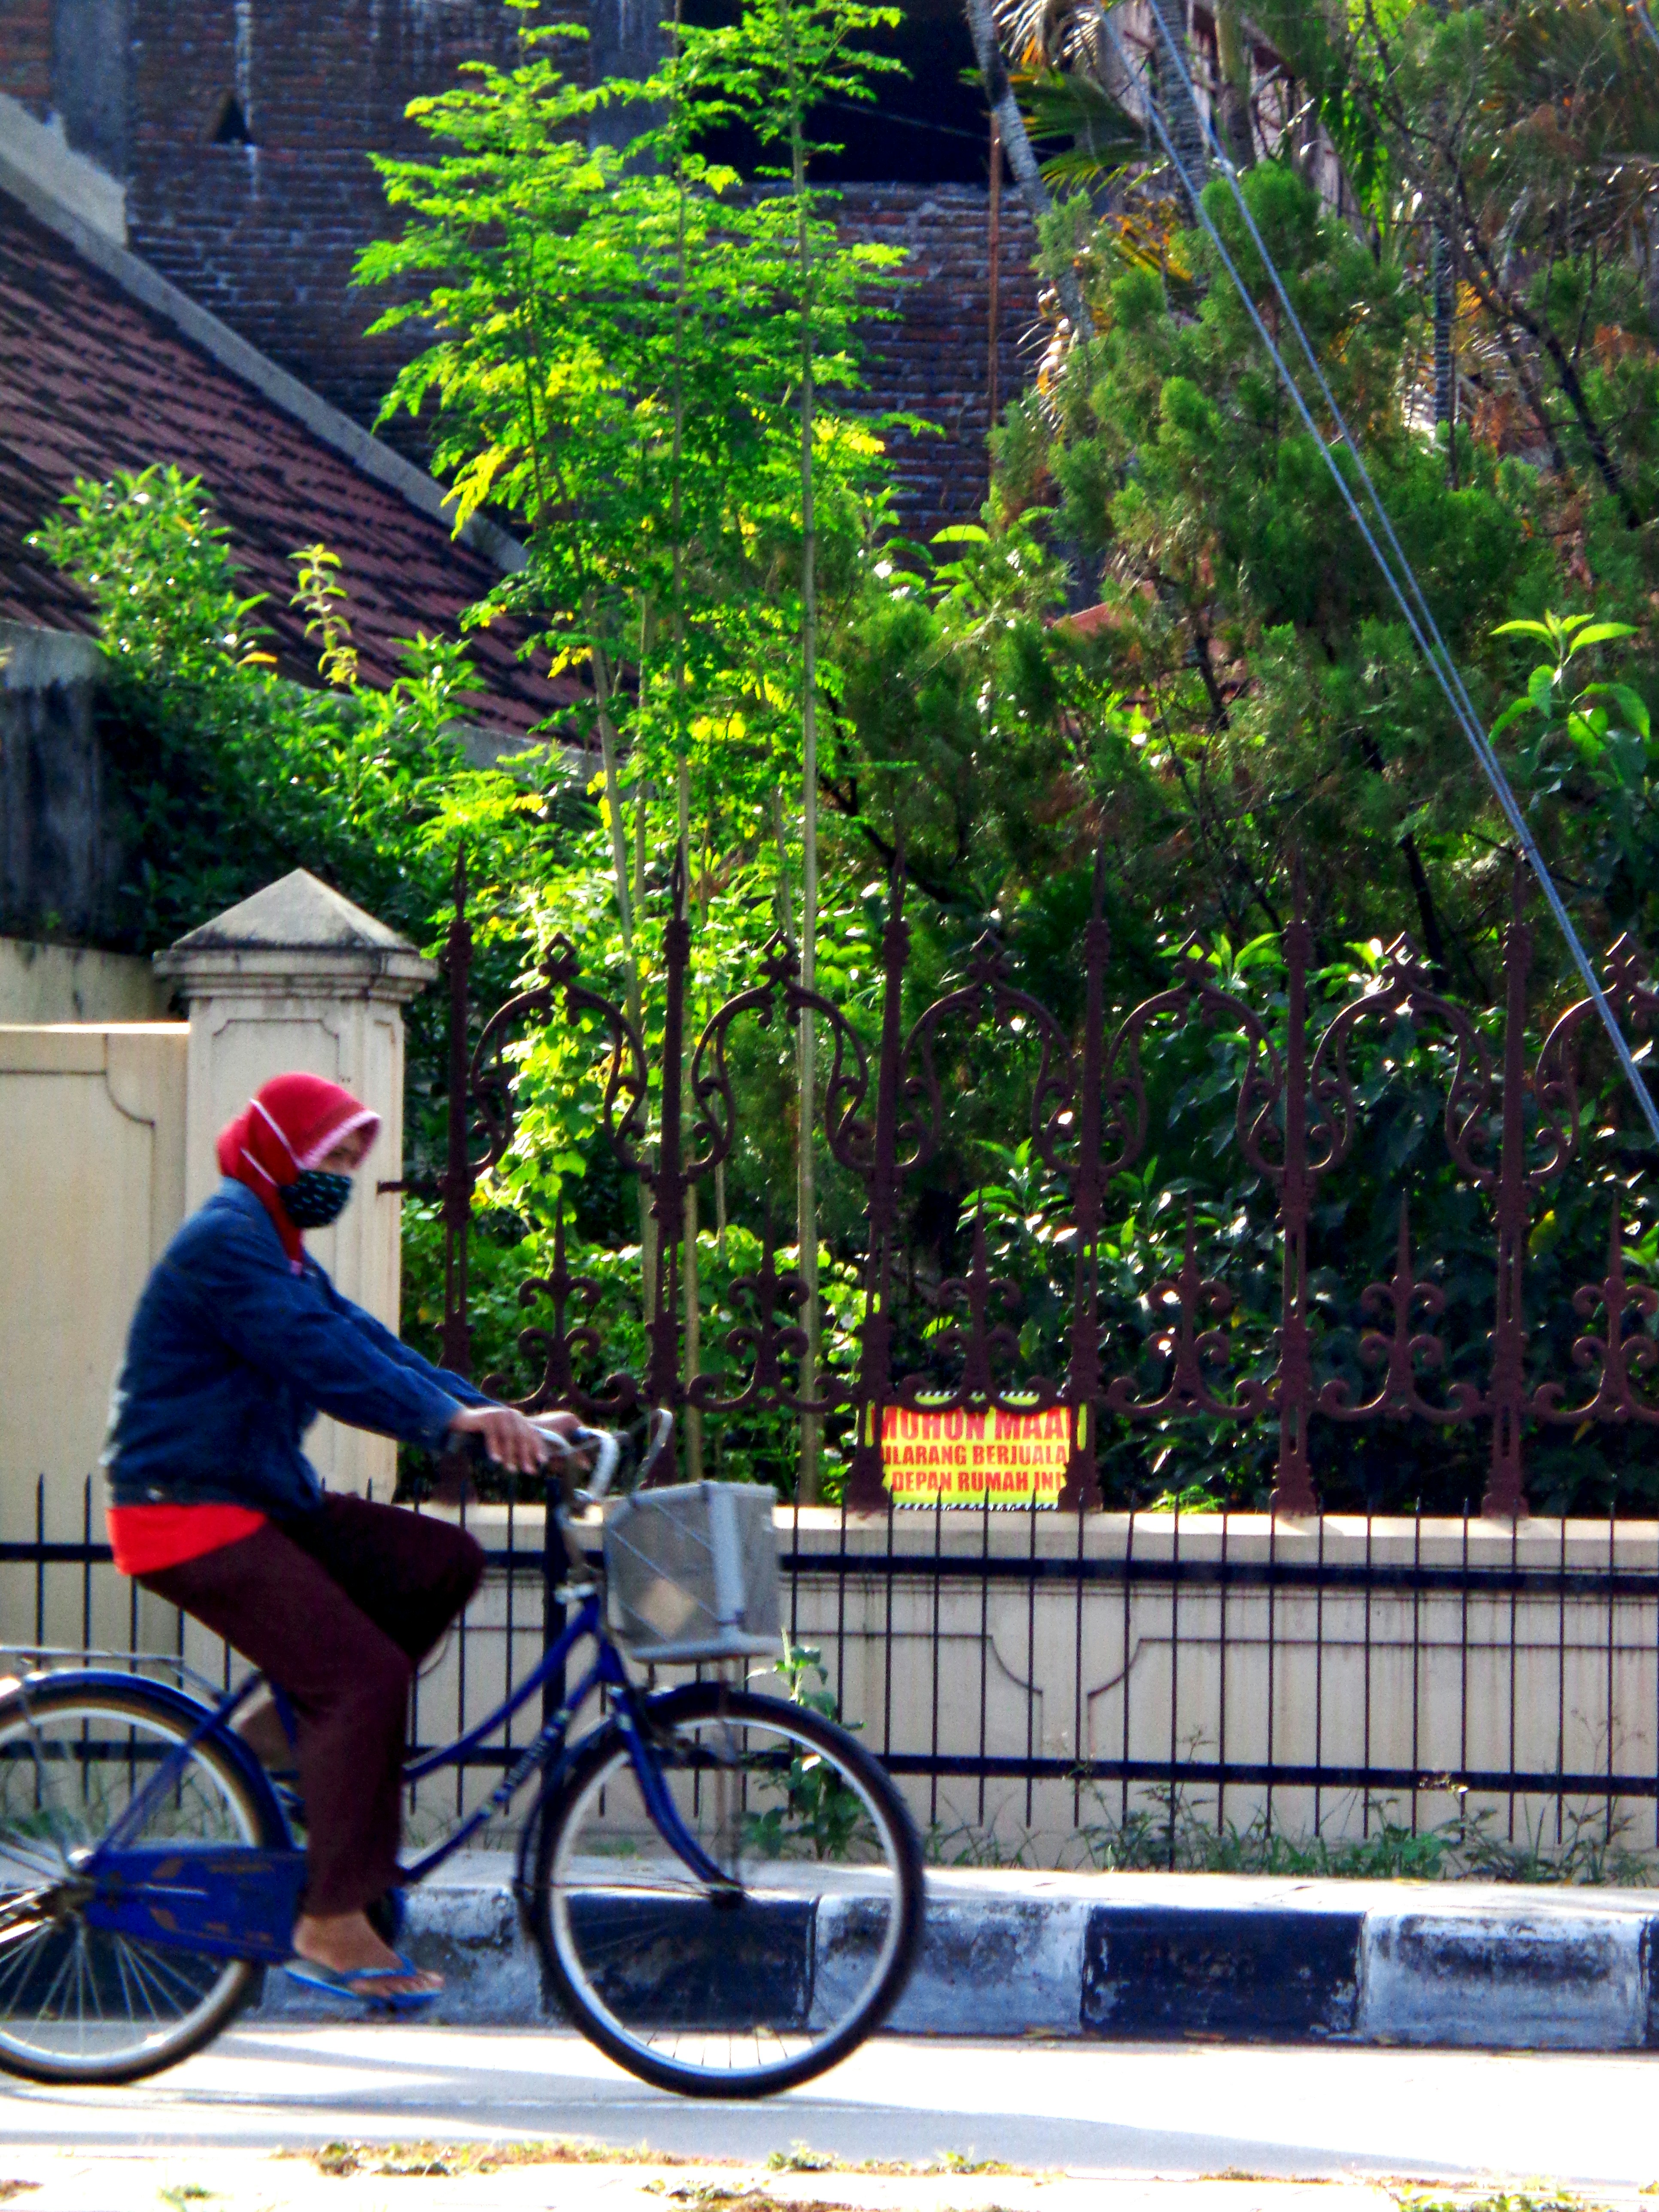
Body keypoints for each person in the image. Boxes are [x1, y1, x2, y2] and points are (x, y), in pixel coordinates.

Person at [103, 1070, 567, 2006]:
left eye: (355, 1159)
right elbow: (322, 1360)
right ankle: (330, 1916)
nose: (346, 1174)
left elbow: (367, 1342)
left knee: (442, 1559)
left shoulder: (284, 1253)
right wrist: (448, 1422)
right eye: (332, 1156)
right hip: (186, 1512)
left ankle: (277, 1733)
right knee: (364, 1674)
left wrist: (486, 1409)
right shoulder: (229, 1245)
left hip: (261, 1502)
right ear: (279, 1150)